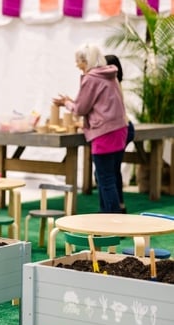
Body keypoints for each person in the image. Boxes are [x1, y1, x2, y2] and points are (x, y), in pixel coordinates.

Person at [53, 43, 127, 213]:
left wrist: (66, 103)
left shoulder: (91, 78)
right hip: (119, 130)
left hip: (104, 134)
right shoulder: (110, 75)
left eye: (78, 61)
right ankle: (112, 219)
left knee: (105, 181)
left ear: (86, 60)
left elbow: (80, 109)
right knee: (111, 177)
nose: (77, 65)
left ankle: (111, 223)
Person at [105, 54, 135, 213]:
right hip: (125, 128)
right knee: (113, 171)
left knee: (108, 173)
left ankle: (114, 211)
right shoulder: (115, 83)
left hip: (121, 129)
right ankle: (119, 207)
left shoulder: (112, 84)